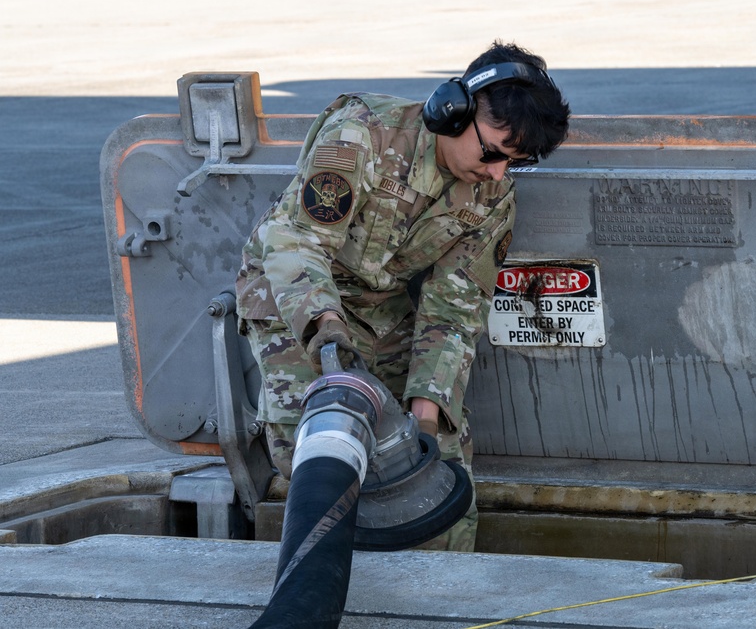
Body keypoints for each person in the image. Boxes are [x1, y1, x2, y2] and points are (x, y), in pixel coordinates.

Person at [235, 41, 571, 551]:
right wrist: (325, 329)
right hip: (294, 297)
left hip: (379, 306)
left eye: (514, 164)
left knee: (440, 470)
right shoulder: (362, 134)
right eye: (492, 153)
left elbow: (453, 310)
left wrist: (425, 421)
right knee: (324, 453)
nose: (497, 173)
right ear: (452, 112)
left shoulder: (493, 197)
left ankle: (443, 598)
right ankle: (333, 592)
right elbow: (297, 242)